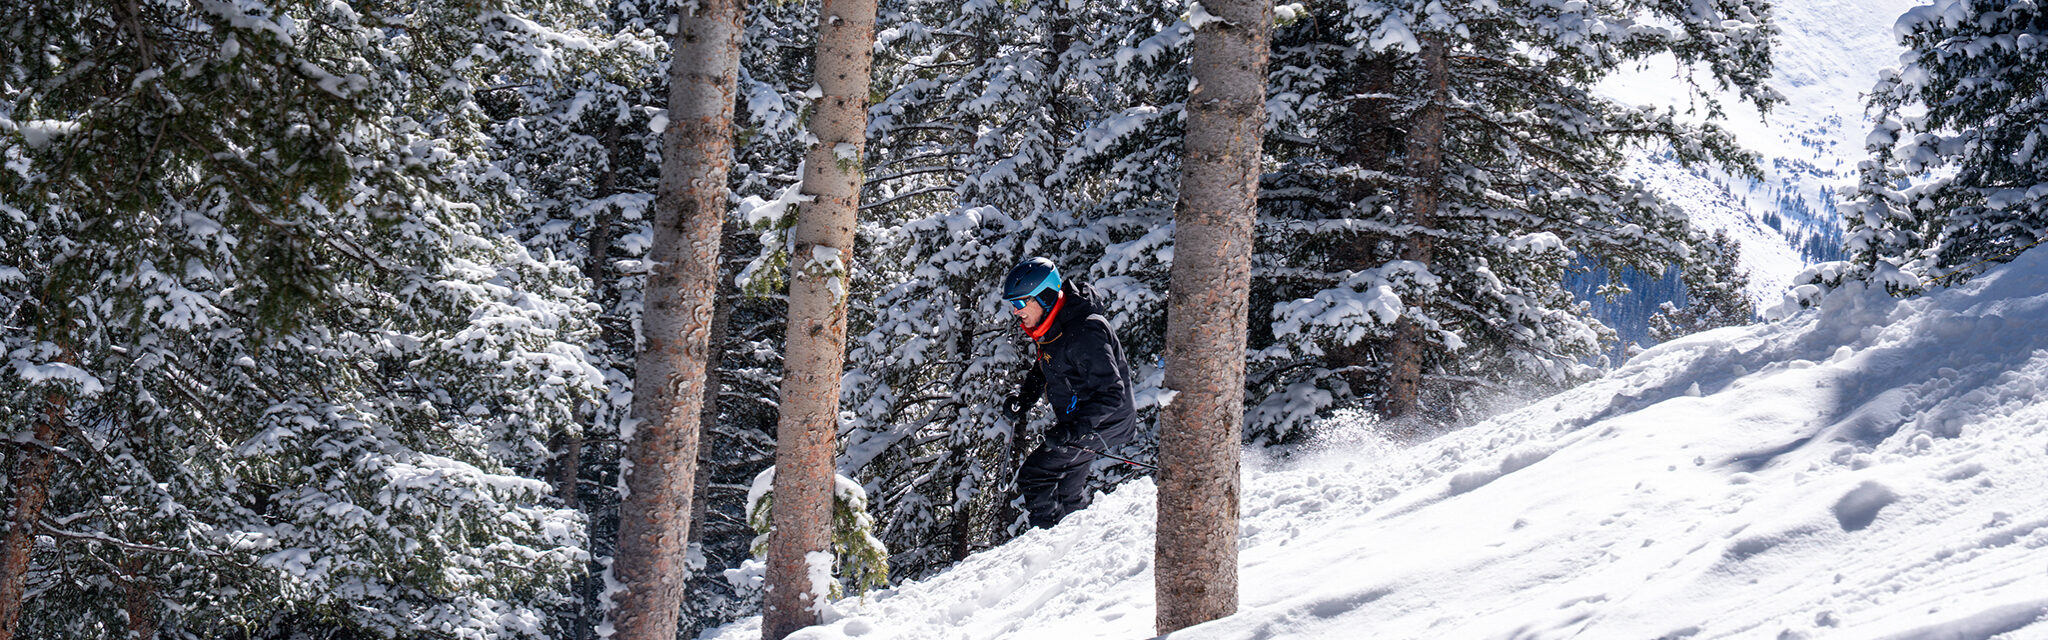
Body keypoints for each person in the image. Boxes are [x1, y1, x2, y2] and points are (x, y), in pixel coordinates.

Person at [998, 257, 1138, 529]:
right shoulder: (1055, 327)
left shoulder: (1085, 330)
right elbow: (1047, 364)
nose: (1016, 312)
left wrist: (1073, 431)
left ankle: (1048, 542)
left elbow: (1111, 393)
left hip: (1106, 419)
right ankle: (1074, 541)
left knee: (1036, 475)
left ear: (1045, 297)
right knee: (1064, 484)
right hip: (1086, 419)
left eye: (1020, 303)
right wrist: (1025, 398)